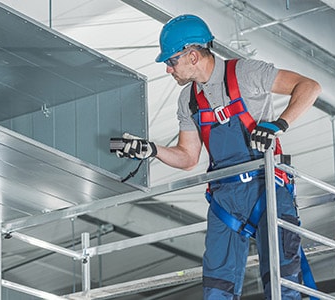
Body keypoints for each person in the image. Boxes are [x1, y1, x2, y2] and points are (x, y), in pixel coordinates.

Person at [114, 14, 322, 299]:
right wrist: (152, 150)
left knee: (283, 280)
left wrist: (278, 124)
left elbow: (309, 87)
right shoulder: (188, 100)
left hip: (267, 187)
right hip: (225, 198)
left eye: (171, 61)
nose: (168, 69)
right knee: (216, 287)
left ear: (193, 56)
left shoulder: (245, 73)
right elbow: (188, 157)